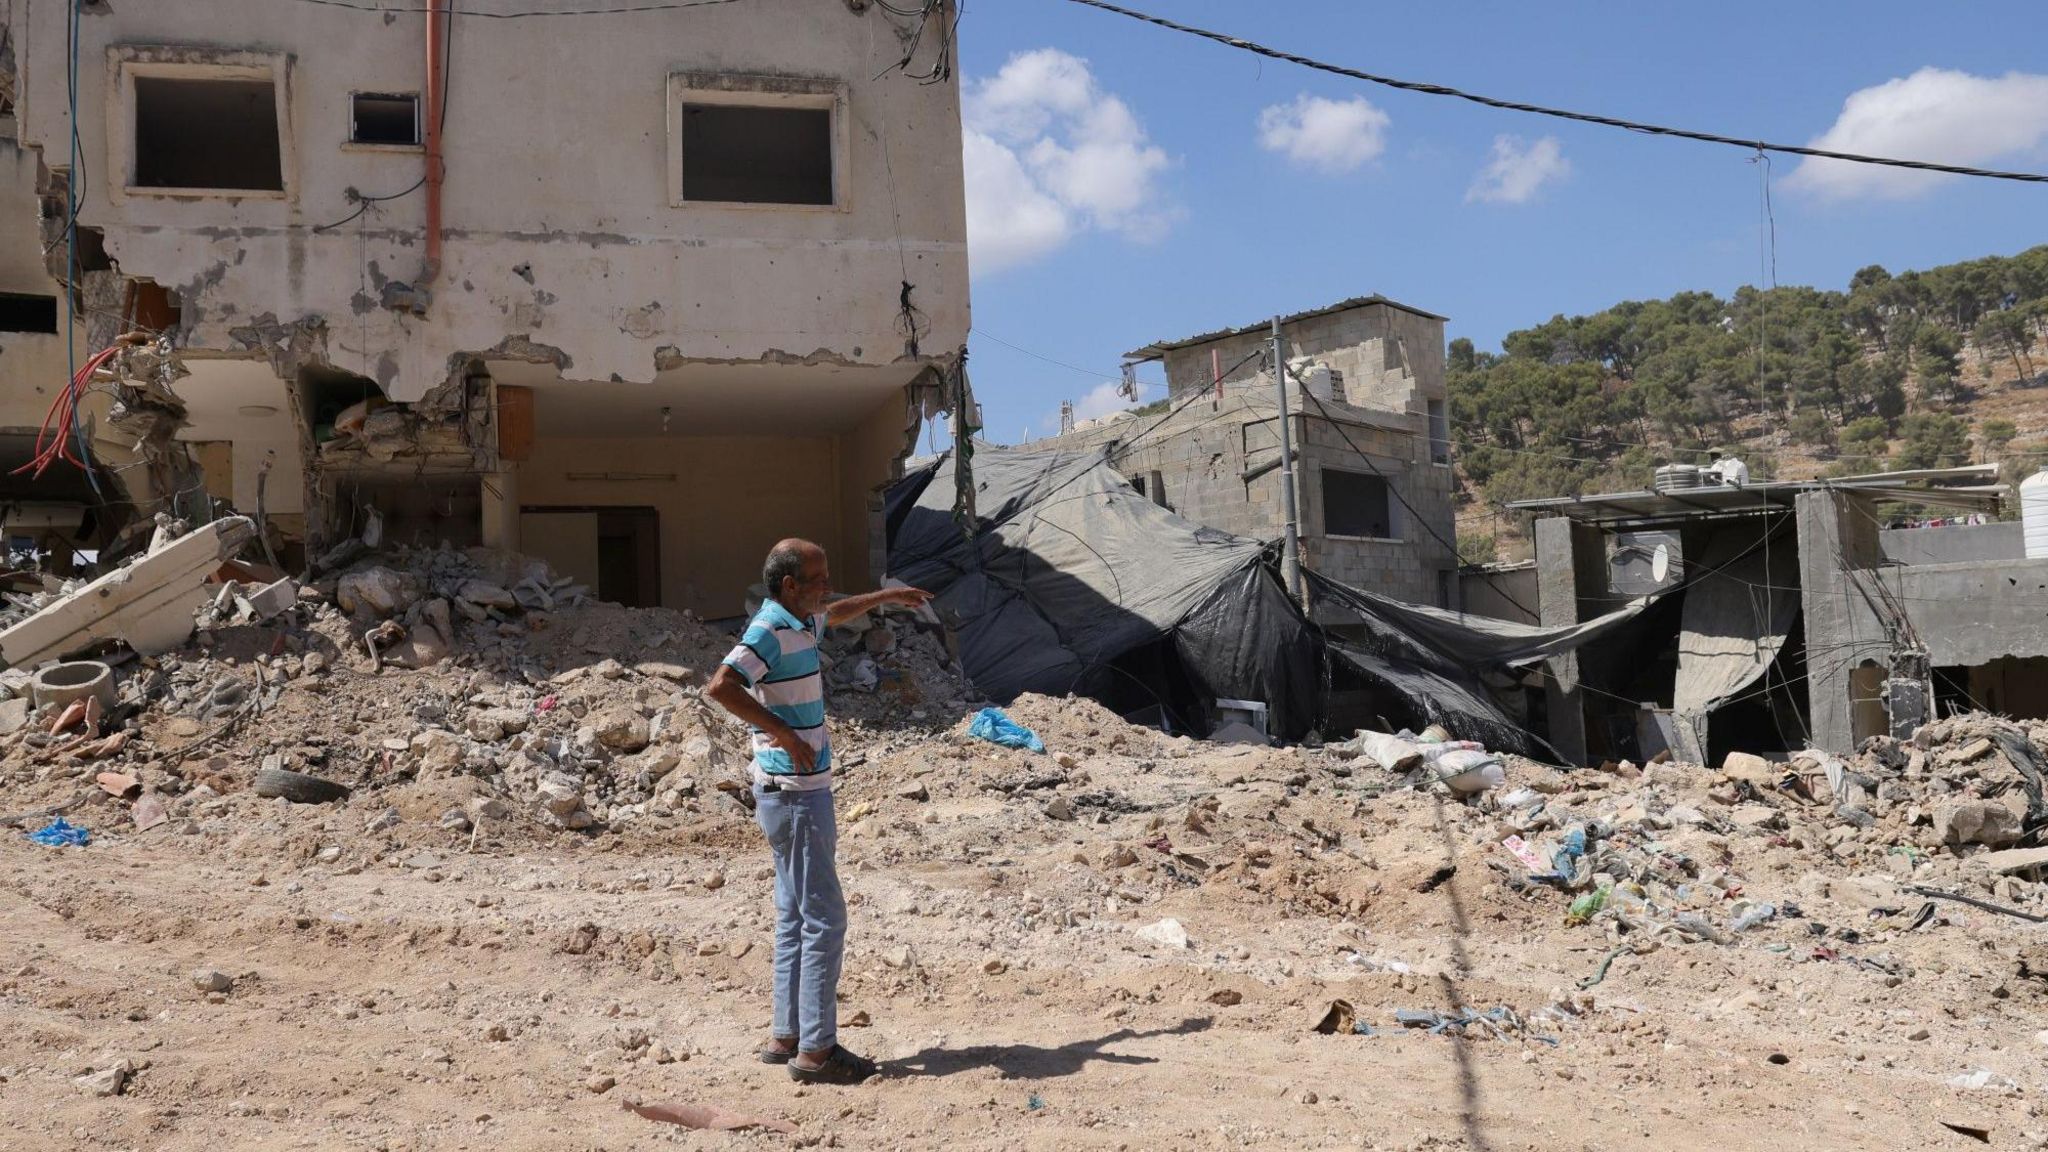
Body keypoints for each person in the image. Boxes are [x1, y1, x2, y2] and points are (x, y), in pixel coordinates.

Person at [704, 538, 931, 1085]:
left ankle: (788, 1036)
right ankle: (817, 1051)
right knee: (825, 917)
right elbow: (721, 685)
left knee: (794, 915)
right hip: (796, 791)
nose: (829, 586)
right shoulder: (768, 630)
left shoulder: (801, 620)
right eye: (820, 577)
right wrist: (782, 732)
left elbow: (837, 610)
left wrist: (885, 597)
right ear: (788, 585)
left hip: (791, 791)